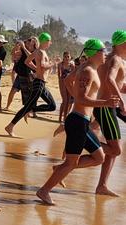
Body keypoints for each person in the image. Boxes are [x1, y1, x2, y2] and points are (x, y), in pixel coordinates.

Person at [36, 39, 119, 205]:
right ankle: (44, 190)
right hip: (78, 121)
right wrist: (106, 103)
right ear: (95, 53)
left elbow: (68, 82)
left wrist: (77, 98)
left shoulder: (87, 68)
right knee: (72, 162)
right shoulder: (88, 71)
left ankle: (60, 169)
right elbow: (81, 98)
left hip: (82, 122)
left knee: (99, 157)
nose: (105, 54)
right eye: (103, 51)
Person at [93, 30, 126, 196]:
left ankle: (102, 186)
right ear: (121, 43)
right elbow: (109, 80)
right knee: (116, 150)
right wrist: (121, 101)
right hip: (106, 107)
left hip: (104, 107)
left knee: (113, 150)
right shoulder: (115, 59)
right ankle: (86, 142)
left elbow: (116, 83)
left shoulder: (111, 59)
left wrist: (121, 93)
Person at [5, 32, 58, 136]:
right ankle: (10, 126)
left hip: (41, 83)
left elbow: (27, 61)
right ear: (45, 41)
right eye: (49, 41)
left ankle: (29, 110)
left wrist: (36, 70)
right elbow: (42, 66)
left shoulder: (39, 51)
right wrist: (53, 64)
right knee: (26, 107)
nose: (50, 43)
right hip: (39, 83)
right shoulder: (41, 53)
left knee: (52, 106)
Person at [57, 51, 75, 123]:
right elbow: (59, 76)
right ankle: (60, 117)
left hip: (70, 83)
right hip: (63, 83)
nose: (67, 58)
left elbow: (74, 74)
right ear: (63, 57)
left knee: (69, 101)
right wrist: (61, 83)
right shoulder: (60, 64)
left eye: (68, 56)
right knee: (65, 100)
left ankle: (65, 117)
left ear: (70, 57)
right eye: (65, 56)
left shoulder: (72, 65)